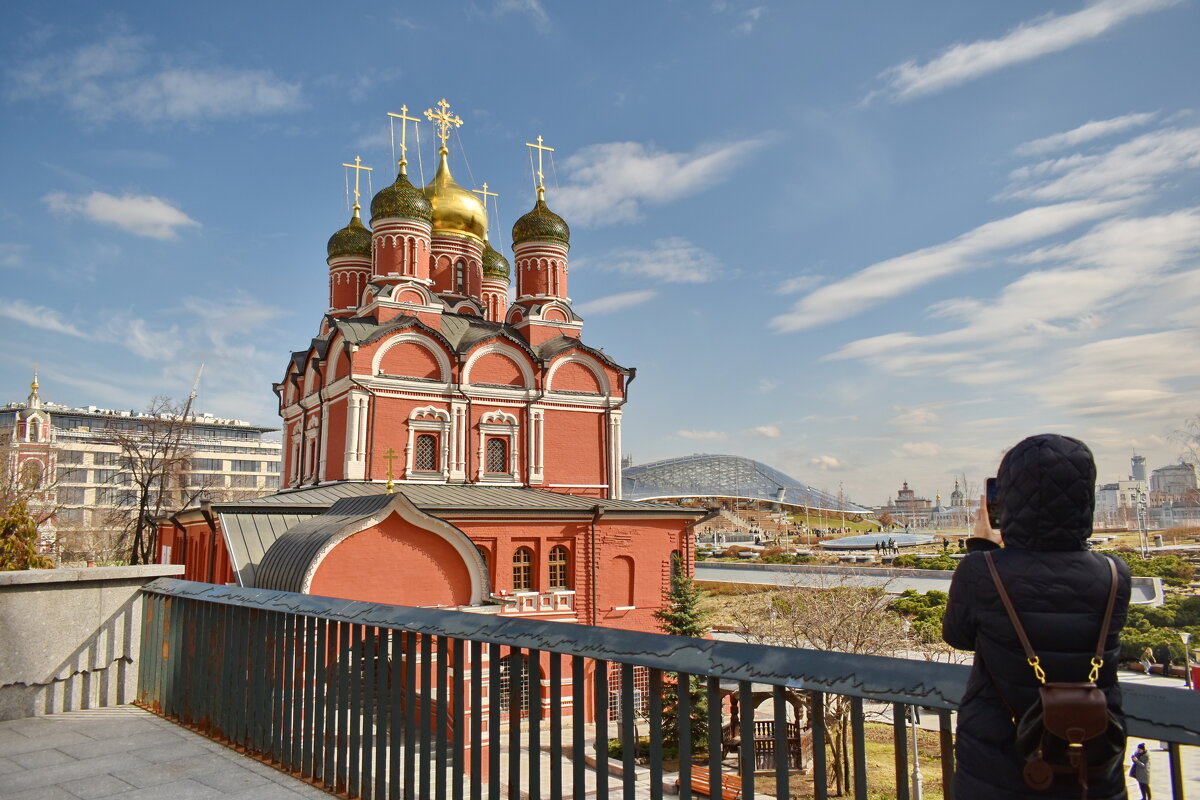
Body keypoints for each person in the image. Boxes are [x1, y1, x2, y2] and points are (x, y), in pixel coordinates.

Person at [942, 434, 1132, 800]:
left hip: (999, 763)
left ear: (1009, 499)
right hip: (1090, 761)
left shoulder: (981, 572)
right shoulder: (1113, 574)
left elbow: (960, 636)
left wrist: (983, 546)